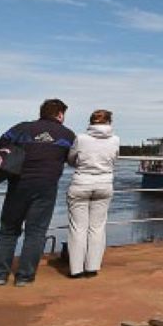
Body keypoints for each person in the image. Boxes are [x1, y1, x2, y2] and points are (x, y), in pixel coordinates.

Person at [0, 98, 76, 287]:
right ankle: (25, 277)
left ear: (42, 112)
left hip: (19, 183)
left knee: (8, 230)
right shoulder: (67, 134)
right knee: (36, 232)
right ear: (60, 114)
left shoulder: (22, 128)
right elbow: (72, 158)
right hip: (46, 186)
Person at [66, 109, 119, 279]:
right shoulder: (115, 140)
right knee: (97, 228)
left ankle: (76, 270)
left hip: (81, 184)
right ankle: (92, 267)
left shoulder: (81, 139)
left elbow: (71, 159)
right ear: (109, 122)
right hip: (104, 185)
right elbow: (114, 159)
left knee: (78, 228)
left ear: (90, 122)